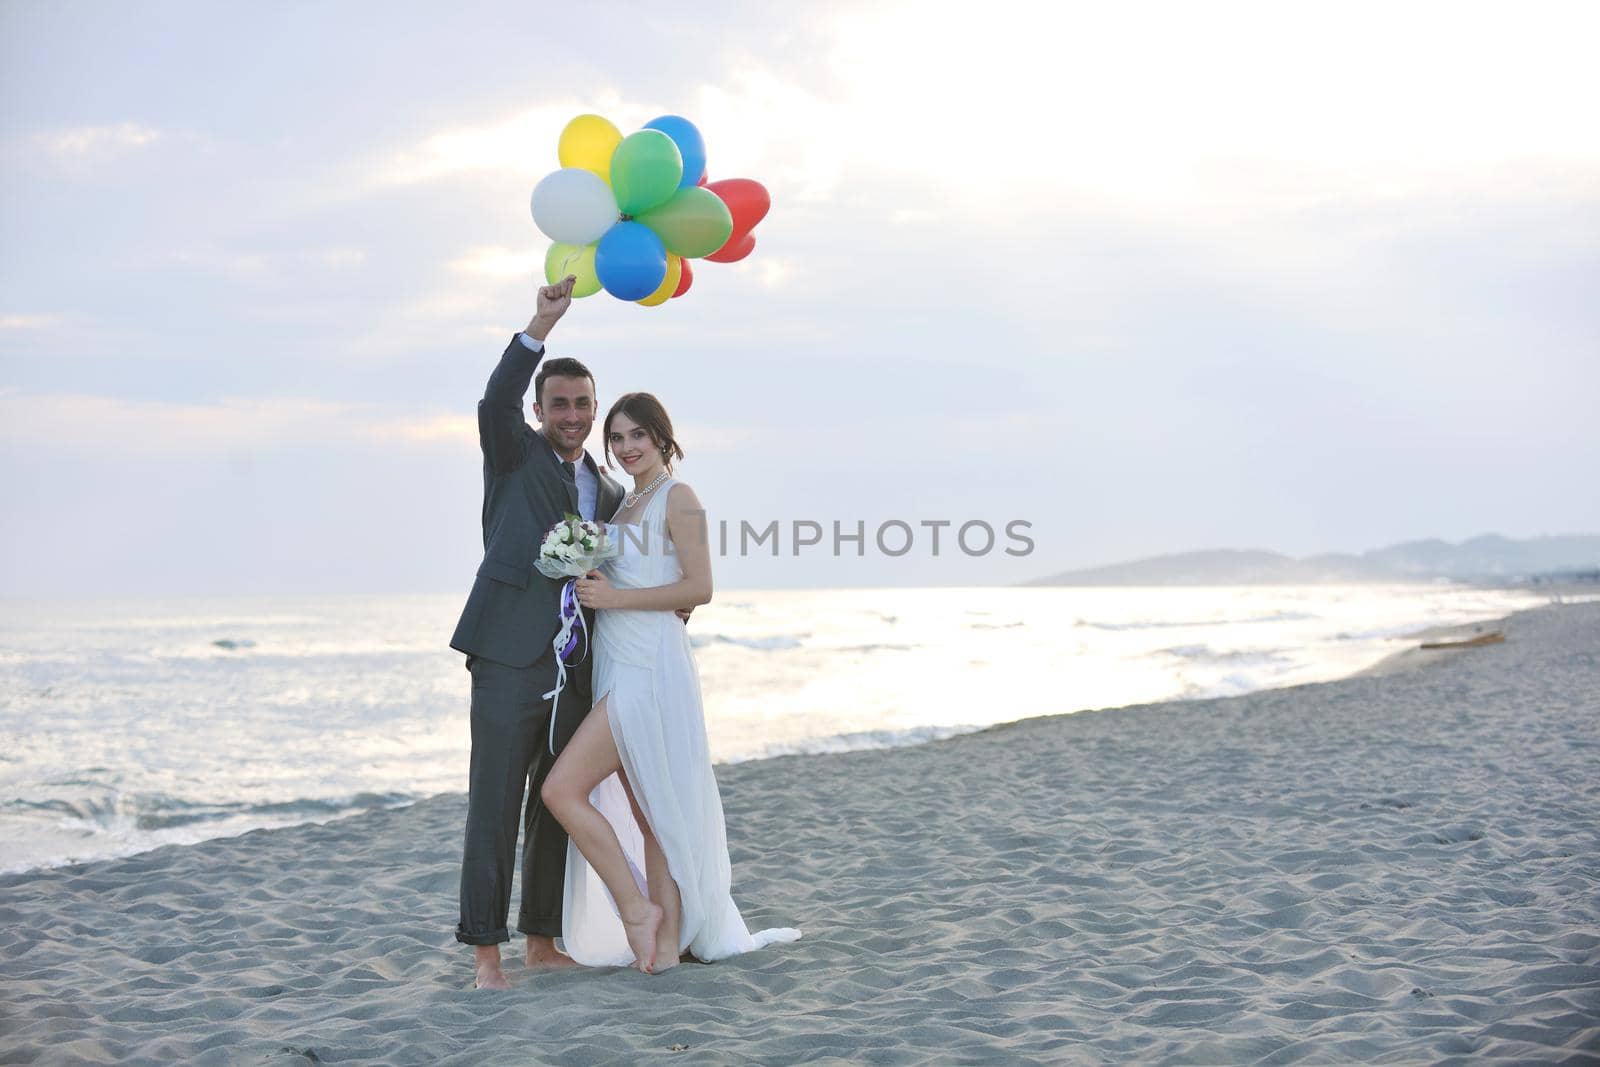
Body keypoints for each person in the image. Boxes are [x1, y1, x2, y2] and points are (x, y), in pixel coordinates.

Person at [540, 392, 801, 973]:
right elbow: (639, 579)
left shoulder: (679, 499)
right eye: (617, 438)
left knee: (561, 790)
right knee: (647, 810)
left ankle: (642, 915)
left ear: (662, 437)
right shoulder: (623, 505)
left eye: (637, 435)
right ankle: (663, 944)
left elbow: (699, 588)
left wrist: (615, 597)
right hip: (615, 662)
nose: (627, 447)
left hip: (651, 669)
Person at [447, 275, 629, 990]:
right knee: (493, 804)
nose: (575, 415)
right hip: (505, 656)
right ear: (539, 409)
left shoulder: (608, 490)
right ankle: (486, 954)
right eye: (561, 404)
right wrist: (539, 324)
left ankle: (541, 940)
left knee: (555, 802)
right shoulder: (514, 454)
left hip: (574, 669)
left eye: (585, 404)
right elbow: (493, 398)